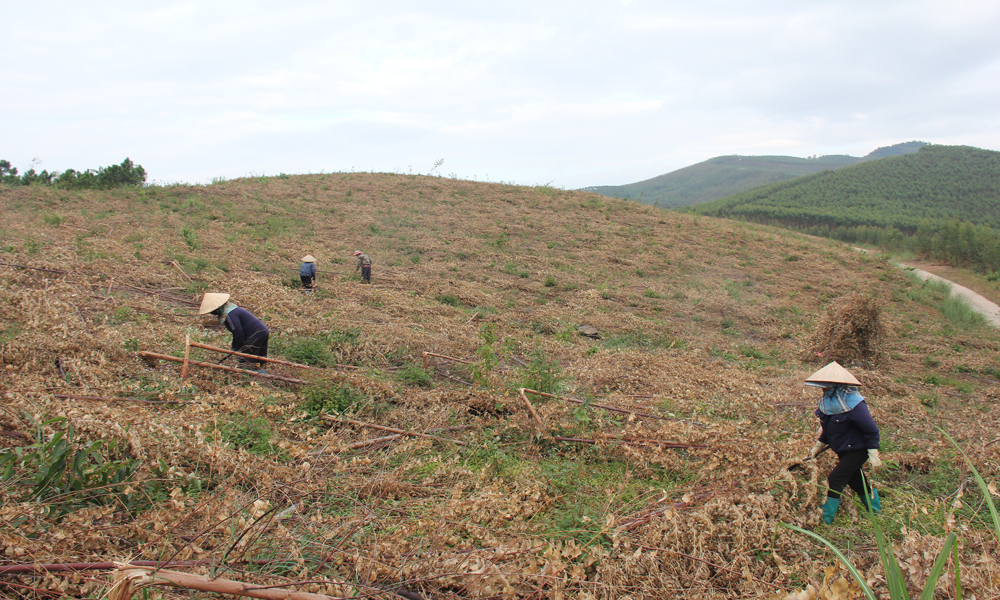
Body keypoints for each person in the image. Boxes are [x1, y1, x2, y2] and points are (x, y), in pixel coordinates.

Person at [803, 361, 882, 524]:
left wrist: (873, 452)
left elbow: (871, 429)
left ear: (837, 385)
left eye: (827, 387)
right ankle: (874, 510)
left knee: (835, 478)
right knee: (856, 480)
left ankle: (825, 519)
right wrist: (818, 446)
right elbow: (829, 429)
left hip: (858, 449)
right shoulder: (827, 404)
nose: (824, 390)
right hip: (843, 450)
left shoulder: (854, 404)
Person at [198, 293, 270, 372]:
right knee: (253, 357)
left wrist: (239, 348)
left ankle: (252, 375)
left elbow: (238, 332)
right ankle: (257, 373)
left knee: (246, 360)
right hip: (261, 331)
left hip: (256, 333)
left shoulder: (230, 314)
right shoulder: (232, 310)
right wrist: (235, 346)